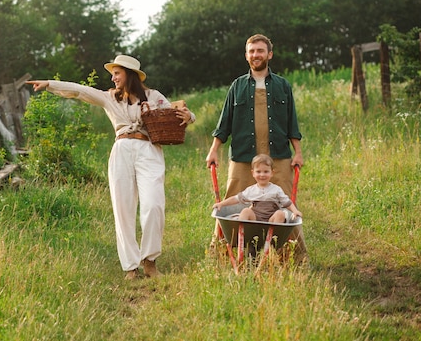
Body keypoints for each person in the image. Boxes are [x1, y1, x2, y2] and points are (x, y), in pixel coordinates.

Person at [27, 55, 196, 280]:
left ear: (129, 74)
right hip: (122, 150)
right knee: (123, 209)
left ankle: (150, 261)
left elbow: (175, 112)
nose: (113, 77)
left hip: (149, 150)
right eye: (112, 74)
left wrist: (190, 116)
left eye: (117, 73)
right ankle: (130, 267)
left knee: (154, 205)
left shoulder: (153, 96)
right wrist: (50, 84)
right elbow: (80, 90)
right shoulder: (109, 98)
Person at [205, 34, 307, 260]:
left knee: (286, 206)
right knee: (229, 208)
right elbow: (224, 124)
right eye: (251, 51)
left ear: (269, 54)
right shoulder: (237, 86)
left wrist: (298, 152)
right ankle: (221, 255)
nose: (256, 55)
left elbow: (292, 123)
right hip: (243, 156)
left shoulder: (282, 85)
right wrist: (214, 150)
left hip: (278, 156)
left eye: (260, 51)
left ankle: (292, 258)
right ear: (246, 55)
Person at [212, 154, 302, 223]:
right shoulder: (251, 190)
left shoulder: (276, 190)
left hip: (271, 219)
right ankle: (243, 235)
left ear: (272, 173)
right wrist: (221, 204)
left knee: (281, 214)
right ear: (253, 173)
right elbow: (236, 199)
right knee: (246, 211)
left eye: (266, 171)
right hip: (255, 219)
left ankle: (273, 240)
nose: (262, 175)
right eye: (258, 172)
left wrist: (295, 211)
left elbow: (287, 202)